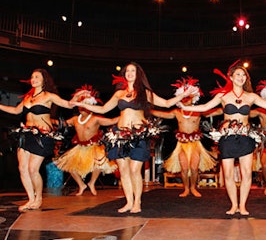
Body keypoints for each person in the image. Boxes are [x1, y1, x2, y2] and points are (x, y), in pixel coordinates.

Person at [179, 61, 266, 215]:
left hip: (245, 137)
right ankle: (233, 205)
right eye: (238, 74)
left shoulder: (251, 97)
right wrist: (186, 107)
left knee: (246, 173)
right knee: (229, 174)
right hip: (227, 138)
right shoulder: (223, 96)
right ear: (231, 77)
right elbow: (204, 107)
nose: (241, 77)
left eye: (244, 75)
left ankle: (242, 206)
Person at [72, 62, 196, 214]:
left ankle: (137, 202)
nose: (130, 73)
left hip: (138, 135)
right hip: (120, 135)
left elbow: (166, 103)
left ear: (138, 74)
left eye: (133, 71)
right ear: (124, 75)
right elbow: (103, 109)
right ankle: (129, 202)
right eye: (127, 71)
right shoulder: (119, 94)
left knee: (134, 169)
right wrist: (79, 103)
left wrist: (183, 95)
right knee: (123, 170)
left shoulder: (145, 92)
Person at [0, 68, 82, 211]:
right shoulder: (27, 98)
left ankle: (38, 198)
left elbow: (67, 104)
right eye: (32, 77)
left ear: (44, 80)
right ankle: (31, 199)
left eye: (37, 77)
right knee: (22, 168)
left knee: (33, 169)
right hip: (26, 134)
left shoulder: (48, 96)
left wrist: (75, 100)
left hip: (42, 136)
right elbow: (15, 111)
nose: (34, 79)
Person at [152, 76, 222, 197]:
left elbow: (217, 111)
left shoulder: (199, 110)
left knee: (194, 168)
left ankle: (193, 188)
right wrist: (147, 110)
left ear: (194, 97)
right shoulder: (176, 112)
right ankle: (186, 189)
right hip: (182, 143)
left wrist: (227, 105)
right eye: (184, 97)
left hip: (195, 143)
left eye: (188, 96)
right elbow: (162, 114)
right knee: (184, 168)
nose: (186, 99)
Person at [55, 85, 119, 196]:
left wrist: (126, 116)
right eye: (81, 104)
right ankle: (81, 185)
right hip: (80, 147)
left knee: (99, 162)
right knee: (69, 165)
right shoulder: (75, 119)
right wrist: (46, 119)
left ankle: (92, 183)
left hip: (94, 147)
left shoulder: (96, 118)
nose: (82, 106)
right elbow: (63, 124)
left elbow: (112, 120)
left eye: (86, 104)